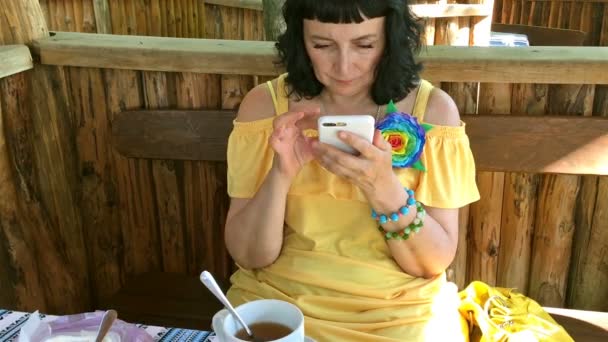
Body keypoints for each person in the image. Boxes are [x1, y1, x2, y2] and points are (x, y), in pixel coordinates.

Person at [224, 0, 475, 340]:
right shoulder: (265, 106)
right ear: (300, 40)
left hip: (399, 316)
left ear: (390, 39)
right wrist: (280, 174)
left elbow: (431, 264)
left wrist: (383, 187)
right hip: (278, 308)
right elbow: (249, 256)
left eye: (365, 45)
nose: (344, 67)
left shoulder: (433, 112)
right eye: (322, 45)